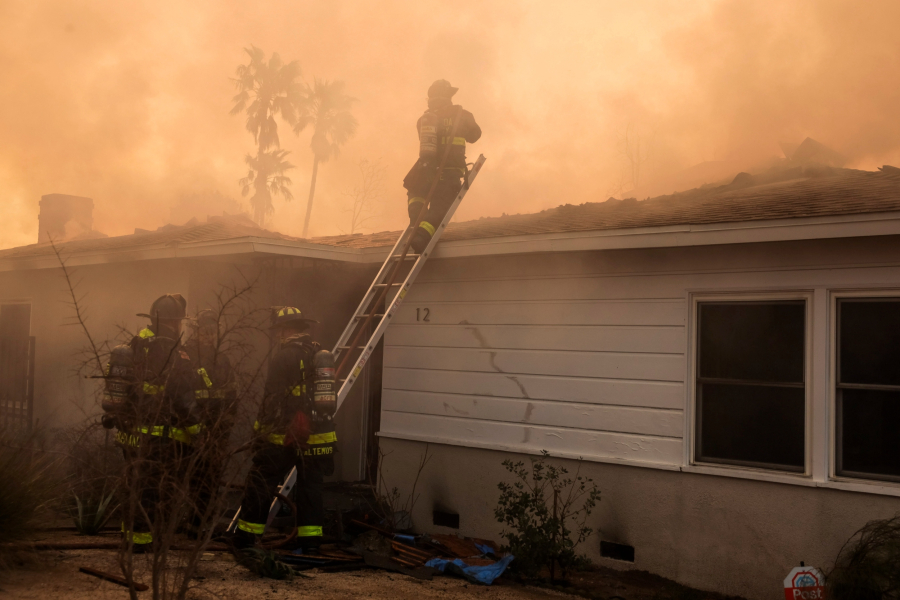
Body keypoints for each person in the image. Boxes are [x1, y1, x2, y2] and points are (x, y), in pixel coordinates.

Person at [102, 293, 203, 551]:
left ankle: (129, 535)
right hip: (157, 435)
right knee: (152, 490)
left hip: (130, 431)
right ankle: (143, 544)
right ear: (175, 321)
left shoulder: (135, 344)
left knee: (133, 483)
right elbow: (182, 395)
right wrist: (196, 430)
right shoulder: (171, 351)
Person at [232, 307, 337, 550]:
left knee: (261, 479)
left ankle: (246, 536)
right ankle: (310, 542)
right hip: (319, 436)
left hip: (286, 436)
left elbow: (272, 398)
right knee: (311, 489)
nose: (278, 335)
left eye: (280, 330)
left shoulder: (283, 357)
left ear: (288, 330)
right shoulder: (317, 353)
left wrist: (259, 431)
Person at [404, 79, 481, 253]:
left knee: (415, 190)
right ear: (449, 96)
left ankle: (415, 220)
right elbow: (475, 135)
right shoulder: (462, 114)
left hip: (426, 168)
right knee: (441, 207)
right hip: (450, 170)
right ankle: (421, 236)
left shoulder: (424, 120)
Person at [184, 309, 237, 538]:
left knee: (207, 479)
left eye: (212, 332)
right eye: (205, 332)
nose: (209, 336)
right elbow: (179, 394)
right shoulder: (183, 356)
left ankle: (198, 526)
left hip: (214, 430)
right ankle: (180, 524)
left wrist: (224, 427)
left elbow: (232, 395)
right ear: (196, 332)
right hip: (187, 428)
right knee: (184, 477)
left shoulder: (221, 359)